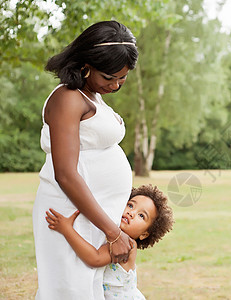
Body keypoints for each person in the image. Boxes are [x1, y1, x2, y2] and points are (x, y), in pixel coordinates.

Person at [33, 20, 139, 299]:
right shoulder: (67, 98)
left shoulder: (92, 94)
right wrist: (112, 232)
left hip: (94, 214)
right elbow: (65, 173)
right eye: (109, 77)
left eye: (122, 78)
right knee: (69, 290)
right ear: (86, 64)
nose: (116, 85)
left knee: (89, 290)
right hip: (70, 211)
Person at [45, 184, 174, 300]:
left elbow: (95, 258)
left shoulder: (128, 245)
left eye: (141, 216)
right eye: (130, 205)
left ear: (144, 234)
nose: (131, 213)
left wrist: (67, 230)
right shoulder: (113, 237)